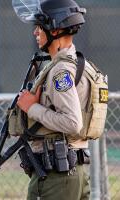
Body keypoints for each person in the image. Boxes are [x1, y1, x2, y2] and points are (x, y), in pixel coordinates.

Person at [11, 0, 108, 199]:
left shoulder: (60, 71)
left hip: (57, 177)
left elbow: (72, 123)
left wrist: (32, 107)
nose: (35, 33)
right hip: (73, 173)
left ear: (54, 31)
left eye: (40, 27)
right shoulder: (81, 65)